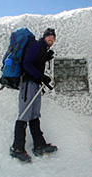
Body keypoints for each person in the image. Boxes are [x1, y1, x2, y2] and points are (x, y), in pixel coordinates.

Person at [10, 28, 58, 162]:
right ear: (44, 37)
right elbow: (26, 63)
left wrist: (44, 59)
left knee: (34, 114)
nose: (51, 39)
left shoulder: (42, 50)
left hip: (35, 84)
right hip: (27, 83)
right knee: (24, 114)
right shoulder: (35, 45)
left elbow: (35, 63)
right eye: (49, 36)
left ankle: (39, 145)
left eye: (53, 38)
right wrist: (41, 76)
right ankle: (17, 148)